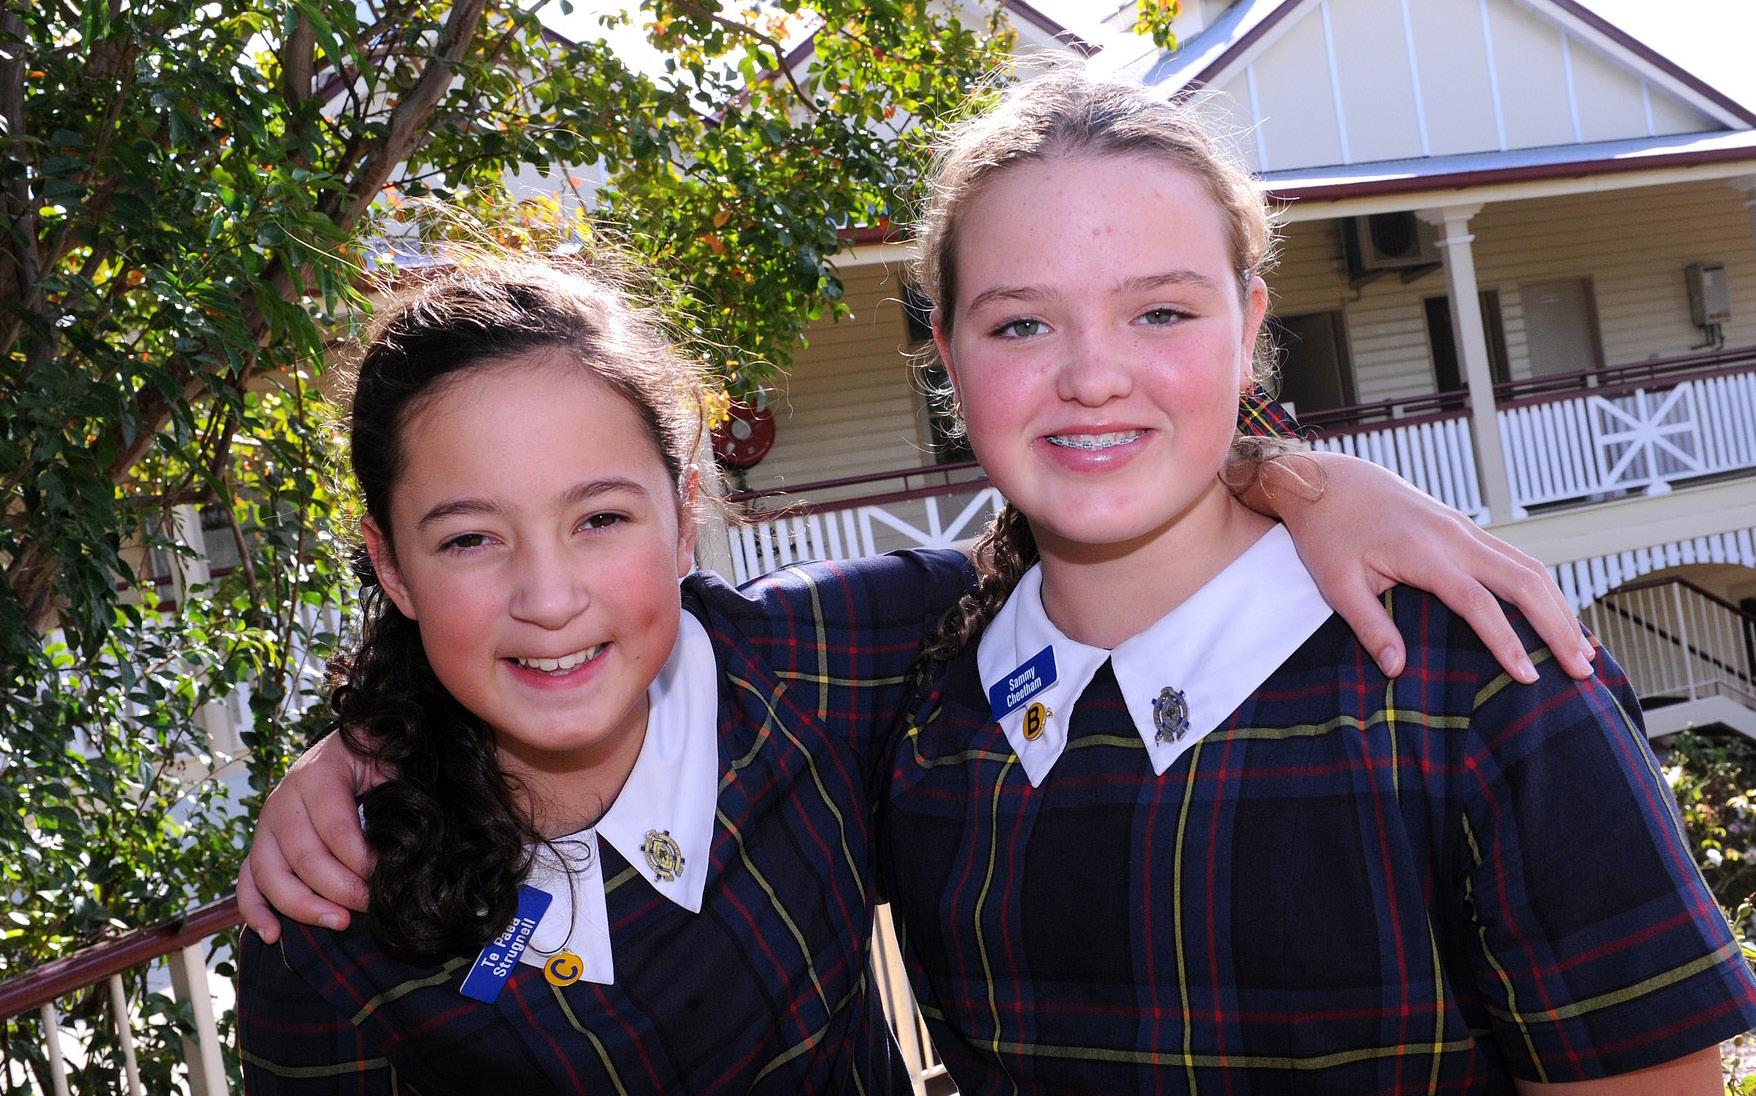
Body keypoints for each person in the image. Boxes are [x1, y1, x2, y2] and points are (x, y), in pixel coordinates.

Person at [236, 131, 1607, 1094]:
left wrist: (1300, 478)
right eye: (469, 539)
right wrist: (352, 750)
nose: (548, 596)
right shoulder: (327, 918)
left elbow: (1085, 521)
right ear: (391, 567)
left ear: (685, 505)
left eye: (600, 518)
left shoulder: (828, 664)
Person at [871, 68, 1756, 1093]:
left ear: (1249, 329)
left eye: (1161, 312)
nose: (1094, 377)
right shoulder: (923, 709)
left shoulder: (1481, 684)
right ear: (949, 356)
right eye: (1021, 324)